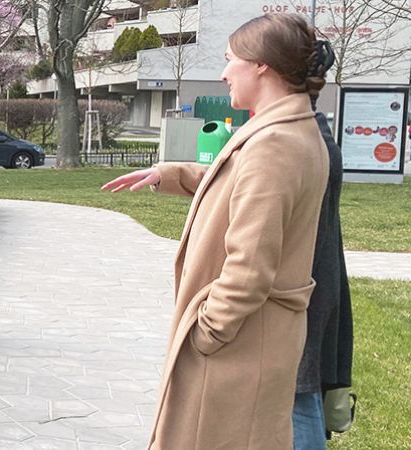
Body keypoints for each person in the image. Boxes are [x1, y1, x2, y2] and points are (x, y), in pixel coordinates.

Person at [102, 14, 329, 449]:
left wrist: (208, 332)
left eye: (230, 60)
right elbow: (242, 182)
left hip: (239, 347)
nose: (224, 72)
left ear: (261, 64)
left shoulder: (274, 143)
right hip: (255, 341)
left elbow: (249, 268)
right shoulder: (288, 130)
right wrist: (169, 174)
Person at [292, 41, 352, 450]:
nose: (226, 73)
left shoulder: (299, 138)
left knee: (298, 398)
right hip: (317, 285)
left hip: (304, 292)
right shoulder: (313, 129)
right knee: (301, 394)